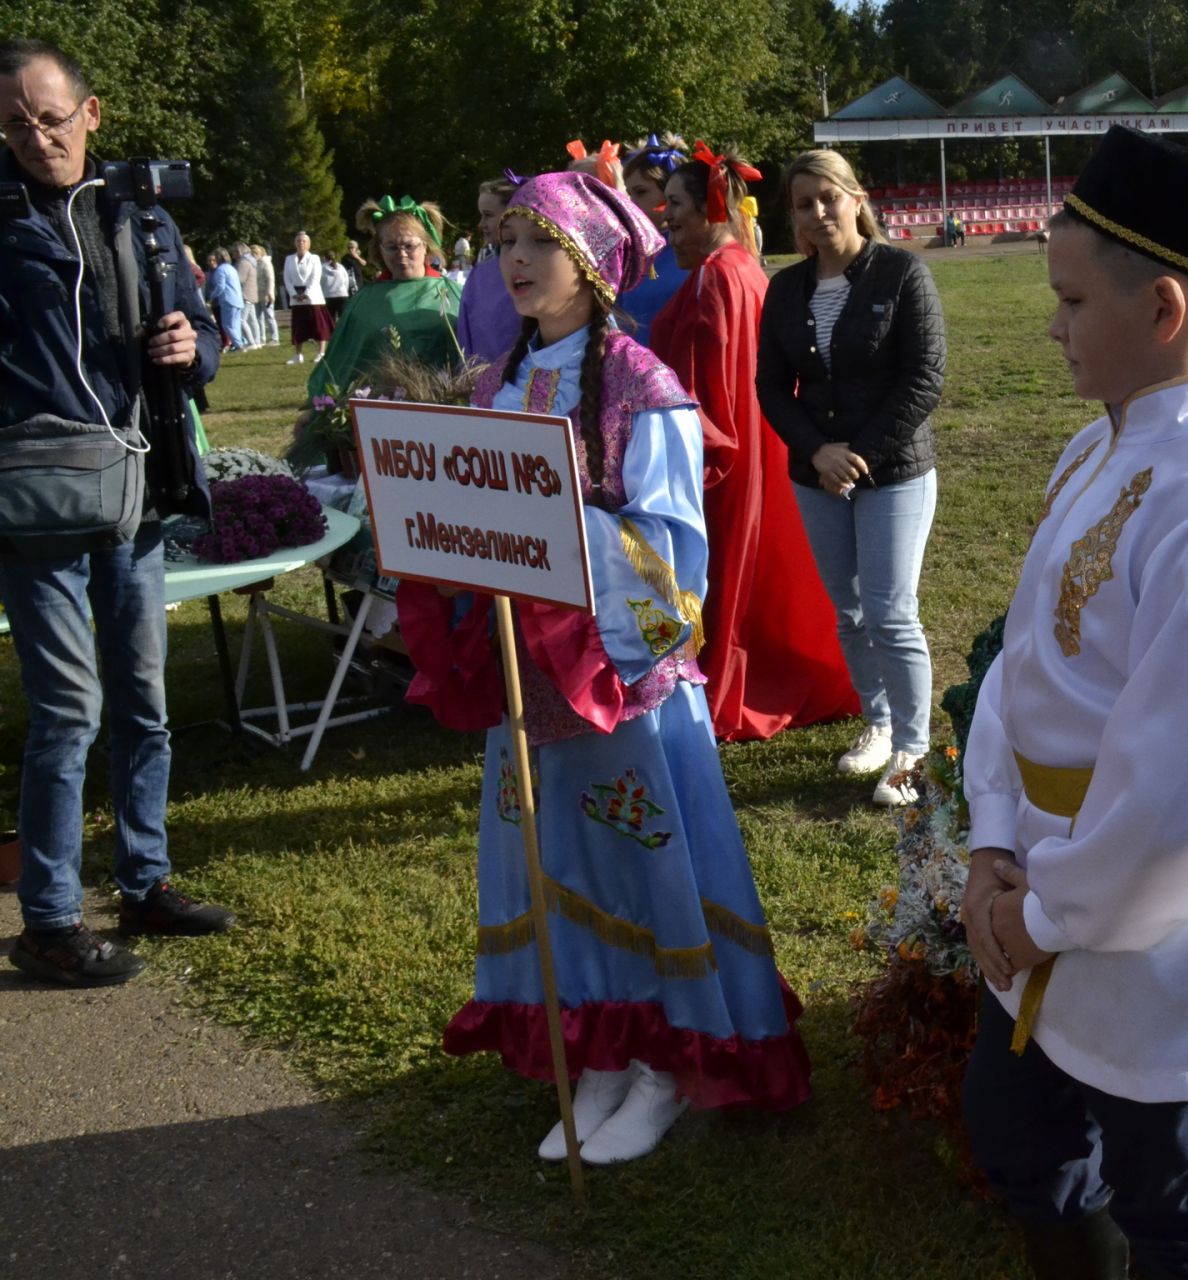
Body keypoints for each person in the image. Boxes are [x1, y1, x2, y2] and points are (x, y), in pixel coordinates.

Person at [959, 125, 1188, 1280]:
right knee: (1019, 1133)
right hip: (1040, 878)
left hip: (1150, 924)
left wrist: (1043, 911)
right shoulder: (1098, 445)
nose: (1051, 326)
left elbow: (1173, 800)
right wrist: (991, 837)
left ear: (1163, 311)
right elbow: (1025, 661)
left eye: (1069, 300)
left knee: (1177, 1195)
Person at [398, 170, 810, 1164]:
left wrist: (554, 531)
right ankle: (602, 1050)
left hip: (616, 681)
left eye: (537, 244)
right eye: (504, 245)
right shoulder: (497, 381)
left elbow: (673, 552)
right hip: (527, 683)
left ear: (590, 260)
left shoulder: (640, 383)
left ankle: (669, 1059)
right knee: (555, 860)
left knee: (640, 859)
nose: (517, 263)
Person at [0, 38, 235, 987]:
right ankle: (50, 919)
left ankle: (145, 881)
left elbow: (205, 331)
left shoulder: (140, 216)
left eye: (51, 118)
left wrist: (195, 346)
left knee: (145, 702)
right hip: (36, 503)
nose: (36, 136)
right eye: (15, 123)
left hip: (137, 491)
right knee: (68, 710)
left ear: (90, 115)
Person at [649, 145, 858, 742]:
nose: (668, 219)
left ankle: (743, 675)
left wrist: (694, 455)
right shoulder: (735, 267)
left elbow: (712, 388)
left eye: (678, 206)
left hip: (725, 455)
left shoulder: (718, 278)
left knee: (734, 569)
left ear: (713, 208)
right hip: (753, 449)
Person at [757, 149, 945, 806]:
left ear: (856, 198)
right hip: (819, 477)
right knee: (851, 612)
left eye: (827, 198)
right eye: (803, 203)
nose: (816, 213)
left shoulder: (902, 274)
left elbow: (923, 379)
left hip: (893, 470)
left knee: (893, 613)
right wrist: (818, 453)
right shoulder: (784, 288)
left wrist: (856, 453)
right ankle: (879, 723)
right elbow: (773, 388)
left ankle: (913, 751)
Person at [307, 196, 462, 405]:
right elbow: (341, 359)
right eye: (392, 247)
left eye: (409, 246)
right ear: (379, 250)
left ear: (425, 245)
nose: (401, 254)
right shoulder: (364, 301)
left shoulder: (455, 293)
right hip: (381, 414)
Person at [614, 135, 692, 347]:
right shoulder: (628, 254)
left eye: (641, 192)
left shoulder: (692, 253)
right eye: (629, 194)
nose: (631, 203)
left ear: (671, 193)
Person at [455, 174, 525, 362]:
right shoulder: (480, 274)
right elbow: (465, 334)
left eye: (488, 215)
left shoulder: (531, 269)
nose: (481, 224)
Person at [282, 230, 331, 362]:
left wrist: (306, 293)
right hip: (296, 298)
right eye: (298, 241)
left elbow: (315, 277)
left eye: (304, 241)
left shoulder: (314, 258)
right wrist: (294, 294)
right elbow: (287, 278)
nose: (301, 243)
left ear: (308, 244)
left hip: (313, 297)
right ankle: (298, 355)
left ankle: (321, 352)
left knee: (318, 325)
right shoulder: (289, 259)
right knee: (298, 326)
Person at [206, 248, 246, 350]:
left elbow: (220, 287)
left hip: (228, 299)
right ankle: (239, 344)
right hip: (237, 299)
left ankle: (239, 345)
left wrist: (211, 298)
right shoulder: (231, 268)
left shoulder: (220, 270)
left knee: (227, 325)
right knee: (235, 324)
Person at [234, 240, 262, 349]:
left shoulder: (243, 262)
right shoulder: (251, 261)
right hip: (252, 294)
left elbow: (240, 279)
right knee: (252, 319)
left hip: (245, 294)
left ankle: (251, 342)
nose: (233, 255)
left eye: (235, 252)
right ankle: (257, 341)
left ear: (239, 251)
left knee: (241, 320)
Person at [251, 242, 278, 346]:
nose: (253, 256)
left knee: (269, 316)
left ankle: (275, 338)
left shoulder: (266, 263)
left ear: (259, 253)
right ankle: (262, 338)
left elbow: (270, 278)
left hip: (266, 294)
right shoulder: (254, 264)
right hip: (256, 294)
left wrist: (270, 292)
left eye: (255, 254)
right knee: (258, 318)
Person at [320, 249, 351, 319]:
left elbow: (320, 282)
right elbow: (346, 281)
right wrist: (345, 291)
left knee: (330, 320)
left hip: (328, 295)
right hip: (342, 294)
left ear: (324, 257)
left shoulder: (322, 268)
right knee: (343, 319)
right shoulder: (341, 267)